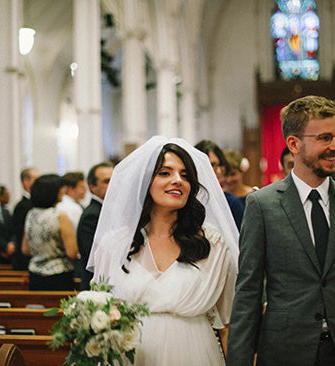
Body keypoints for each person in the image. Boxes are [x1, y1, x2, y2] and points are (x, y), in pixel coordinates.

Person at [227, 95, 335, 366]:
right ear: (294, 143)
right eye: (325, 138)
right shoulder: (262, 205)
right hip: (287, 351)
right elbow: (248, 293)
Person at [88, 136, 239, 365]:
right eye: (165, 173)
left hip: (194, 354)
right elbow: (98, 313)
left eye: (185, 175)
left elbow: (228, 324)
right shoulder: (114, 244)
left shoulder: (212, 244)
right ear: (145, 182)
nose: (177, 180)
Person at [22, 174, 78, 291]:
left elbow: (25, 249)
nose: (64, 191)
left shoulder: (31, 214)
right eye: (61, 188)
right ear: (52, 191)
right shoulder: (59, 216)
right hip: (59, 274)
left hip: (35, 273)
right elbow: (72, 252)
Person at [77, 161, 114, 290]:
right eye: (107, 181)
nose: (113, 184)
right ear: (92, 187)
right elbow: (94, 256)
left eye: (115, 179)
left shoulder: (105, 209)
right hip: (96, 284)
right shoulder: (92, 214)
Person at [195, 139, 245, 229]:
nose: (218, 171)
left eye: (220, 165)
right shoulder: (188, 202)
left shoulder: (231, 202)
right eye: (212, 165)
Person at [11, 167, 41, 270]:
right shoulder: (22, 206)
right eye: (36, 179)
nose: (39, 183)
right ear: (26, 182)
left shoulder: (34, 203)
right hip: (24, 260)